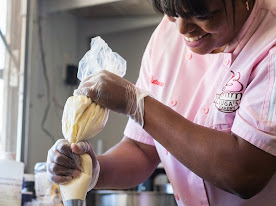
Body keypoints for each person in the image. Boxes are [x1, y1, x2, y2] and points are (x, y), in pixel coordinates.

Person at [47, 0, 276, 205]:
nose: (182, 30)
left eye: (201, 15)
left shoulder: (270, 43)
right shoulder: (167, 34)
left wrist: (137, 104)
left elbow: (244, 174)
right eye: (173, 13)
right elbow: (142, 150)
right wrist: (92, 169)